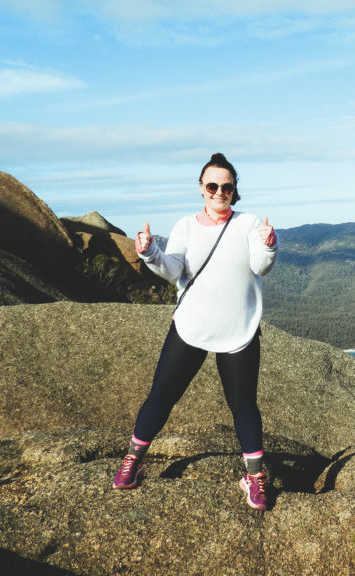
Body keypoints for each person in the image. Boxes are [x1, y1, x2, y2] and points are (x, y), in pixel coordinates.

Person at [111, 152, 278, 511]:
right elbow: (174, 270)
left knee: (244, 406)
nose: (220, 191)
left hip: (239, 329)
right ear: (201, 189)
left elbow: (260, 267)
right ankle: (132, 462)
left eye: (227, 186)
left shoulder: (249, 224)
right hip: (191, 327)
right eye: (212, 185)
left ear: (235, 191)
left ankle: (254, 477)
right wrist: (151, 252)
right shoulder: (186, 225)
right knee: (160, 397)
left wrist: (269, 245)